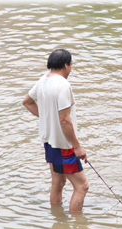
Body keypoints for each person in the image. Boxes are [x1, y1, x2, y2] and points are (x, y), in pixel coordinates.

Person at [22, 49, 89, 213]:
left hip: (49, 142)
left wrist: (46, 117)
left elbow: (27, 102)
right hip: (63, 145)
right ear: (66, 65)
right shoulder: (63, 85)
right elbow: (65, 120)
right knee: (82, 186)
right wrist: (77, 147)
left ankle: (58, 222)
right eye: (71, 65)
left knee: (57, 183)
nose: (71, 69)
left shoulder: (43, 80)